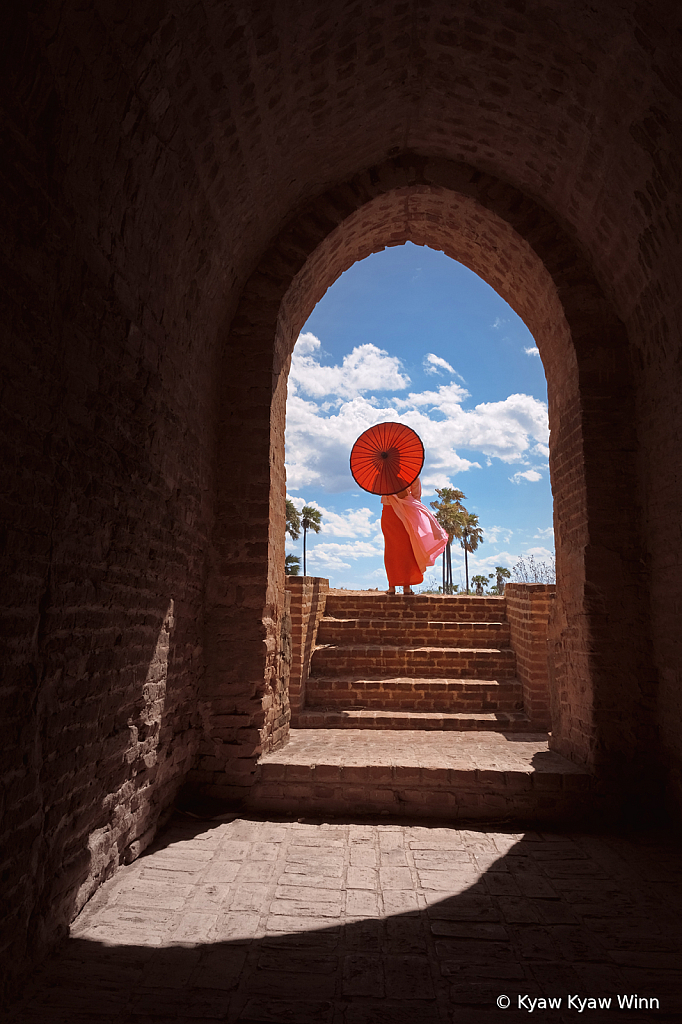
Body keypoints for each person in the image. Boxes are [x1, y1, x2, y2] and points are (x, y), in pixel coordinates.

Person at [381, 476, 448, 595]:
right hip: (393, 513)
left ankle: (398, 586)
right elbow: (416, 496)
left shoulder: (407, 475)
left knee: (404, 549)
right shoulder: (398, 475)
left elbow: (415, 496)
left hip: (401, 512)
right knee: (396, 549)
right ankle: (397, 586)